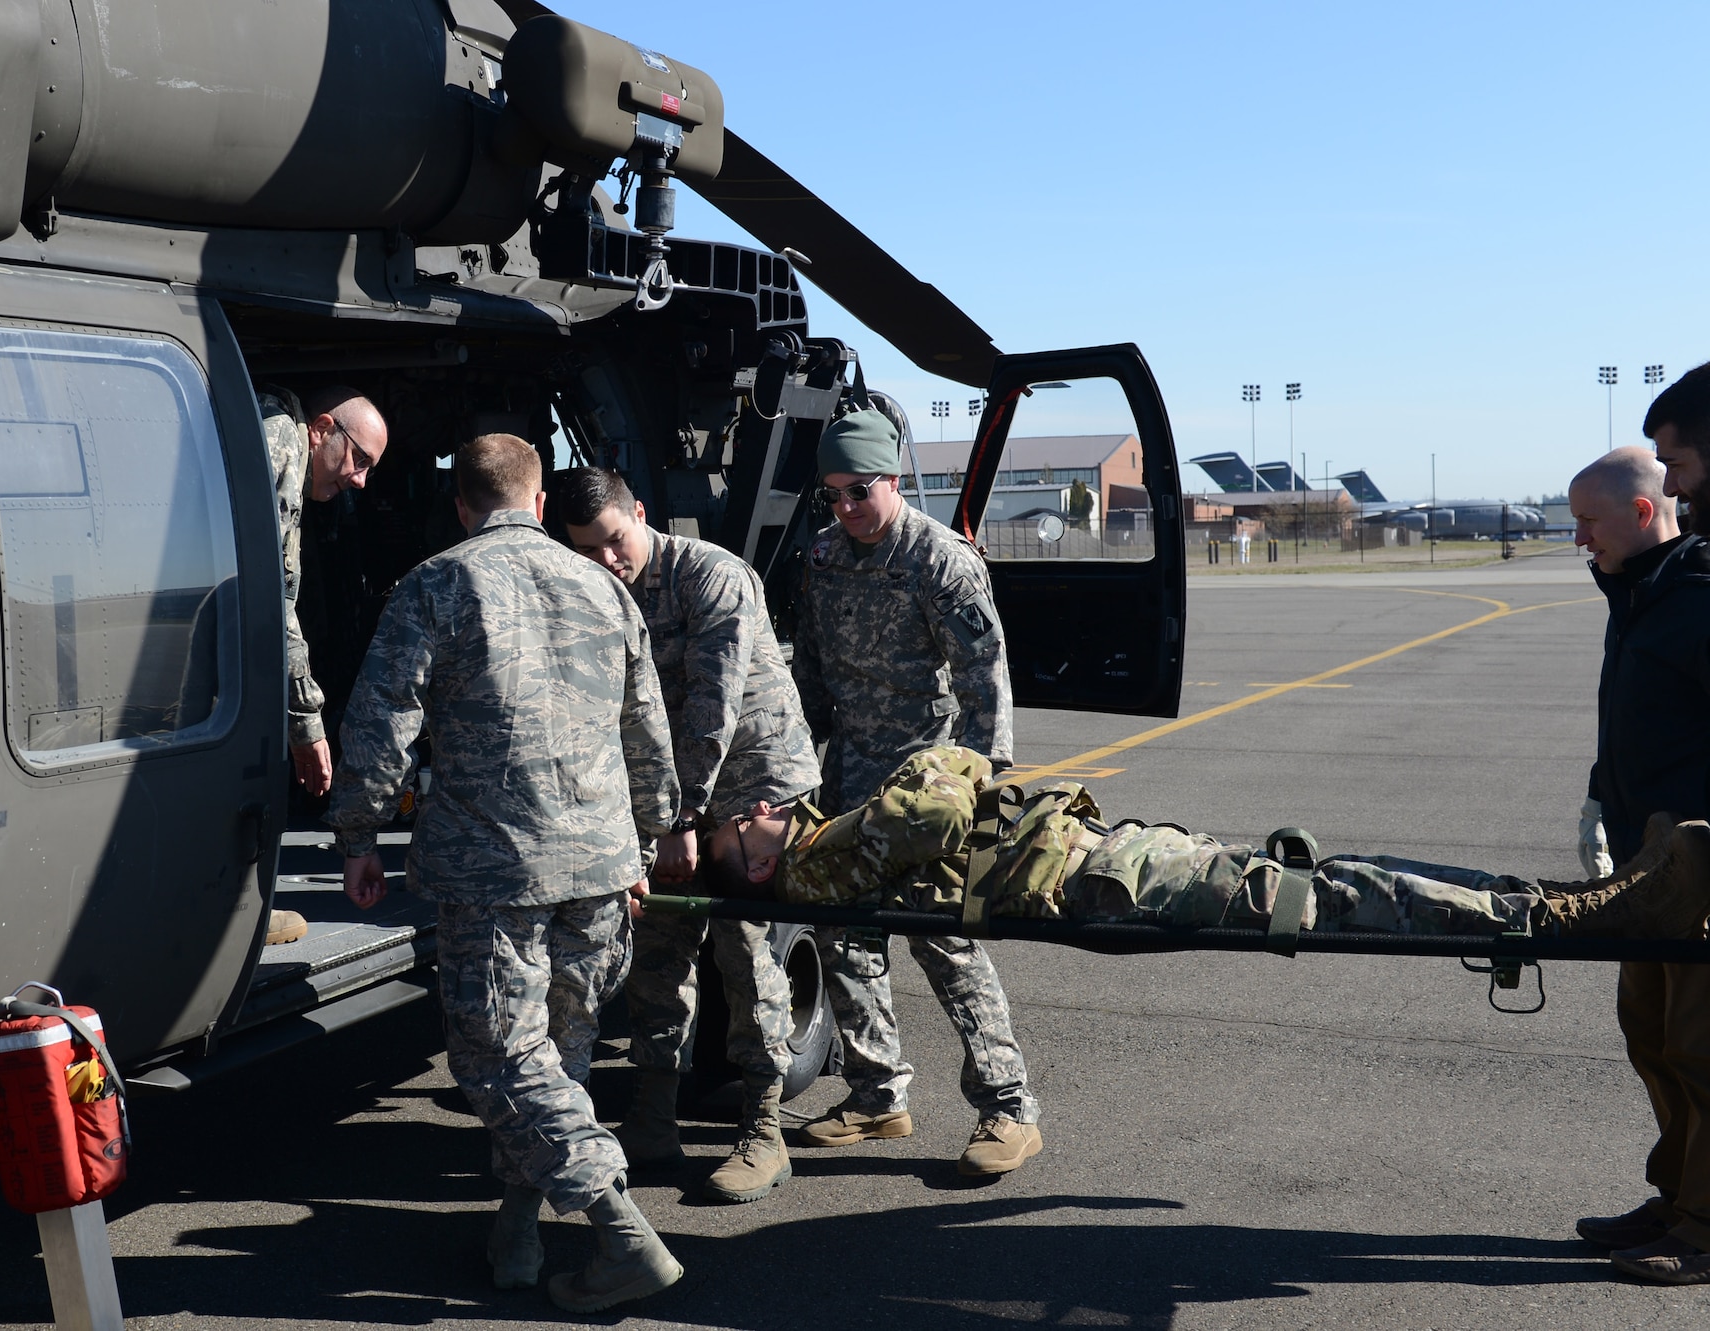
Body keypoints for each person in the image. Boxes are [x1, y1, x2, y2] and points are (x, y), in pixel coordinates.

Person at [326, 435, 685, 1312]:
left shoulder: (436, 584)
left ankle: (621, 1230)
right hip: (597, 866)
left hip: (499, 871)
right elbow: (648, 731)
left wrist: (358, 832)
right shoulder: (604, 584)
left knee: (499, 1060)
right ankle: (517, 1232)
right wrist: (647, 841)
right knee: (557, 1053)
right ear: (534, 500)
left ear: (460, 504)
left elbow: (382, 720)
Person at [693, 744, 1710, 943]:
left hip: (1108, 858)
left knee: (1328, 879)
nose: (759, 810)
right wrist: (932, 761)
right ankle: (1559, 912)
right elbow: (941, 796)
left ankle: (1554, 897)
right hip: (1102, 878)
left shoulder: (832, 836)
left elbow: (951, 775)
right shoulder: (821, 866)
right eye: (742, 826)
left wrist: (940, 764)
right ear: (757, 865)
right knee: (1330, 896)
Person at [789, 406, 1042, 1178]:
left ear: (892, 479)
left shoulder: (941, 560)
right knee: (841, 937)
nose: (845, 508)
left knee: (944, 939)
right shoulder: (824, 557)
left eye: (858, 491)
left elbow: (983, 681)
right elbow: (808, 674)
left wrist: (981, 783)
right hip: (850, 776)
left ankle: (1009, 1109)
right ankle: (876, 1094)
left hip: (929, 785)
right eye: (830, 494)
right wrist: (795, 767)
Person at [559, 467, 822, 1204]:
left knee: (744, 950)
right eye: (587, 550)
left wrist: (682, 821)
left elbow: (715, 705)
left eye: (615, 539)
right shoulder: (593, 591)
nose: (607, 560)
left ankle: (763, 1131)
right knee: (658, 946)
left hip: (751, 784)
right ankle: (651, 1114)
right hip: (669, 791)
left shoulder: (711, 575)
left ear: (639, 512)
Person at [1570, 379, 1710, 1285]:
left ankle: (1704, 1229)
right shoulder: (1638, 596)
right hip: (1644, 865)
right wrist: (1596, 798)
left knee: (1702, 1048)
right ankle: (1678, 1194)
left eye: (1590, 521)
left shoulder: (1698, 596)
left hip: (1697, 865)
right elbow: (1632, 724)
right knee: (1650, 1034)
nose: (1579, 538)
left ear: (1644, 509)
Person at [258, 384, 388, 945]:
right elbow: (271, 599)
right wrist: (307, 723)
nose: (359, 479)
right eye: (358, 458)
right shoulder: (282, 442)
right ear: (323, 427)